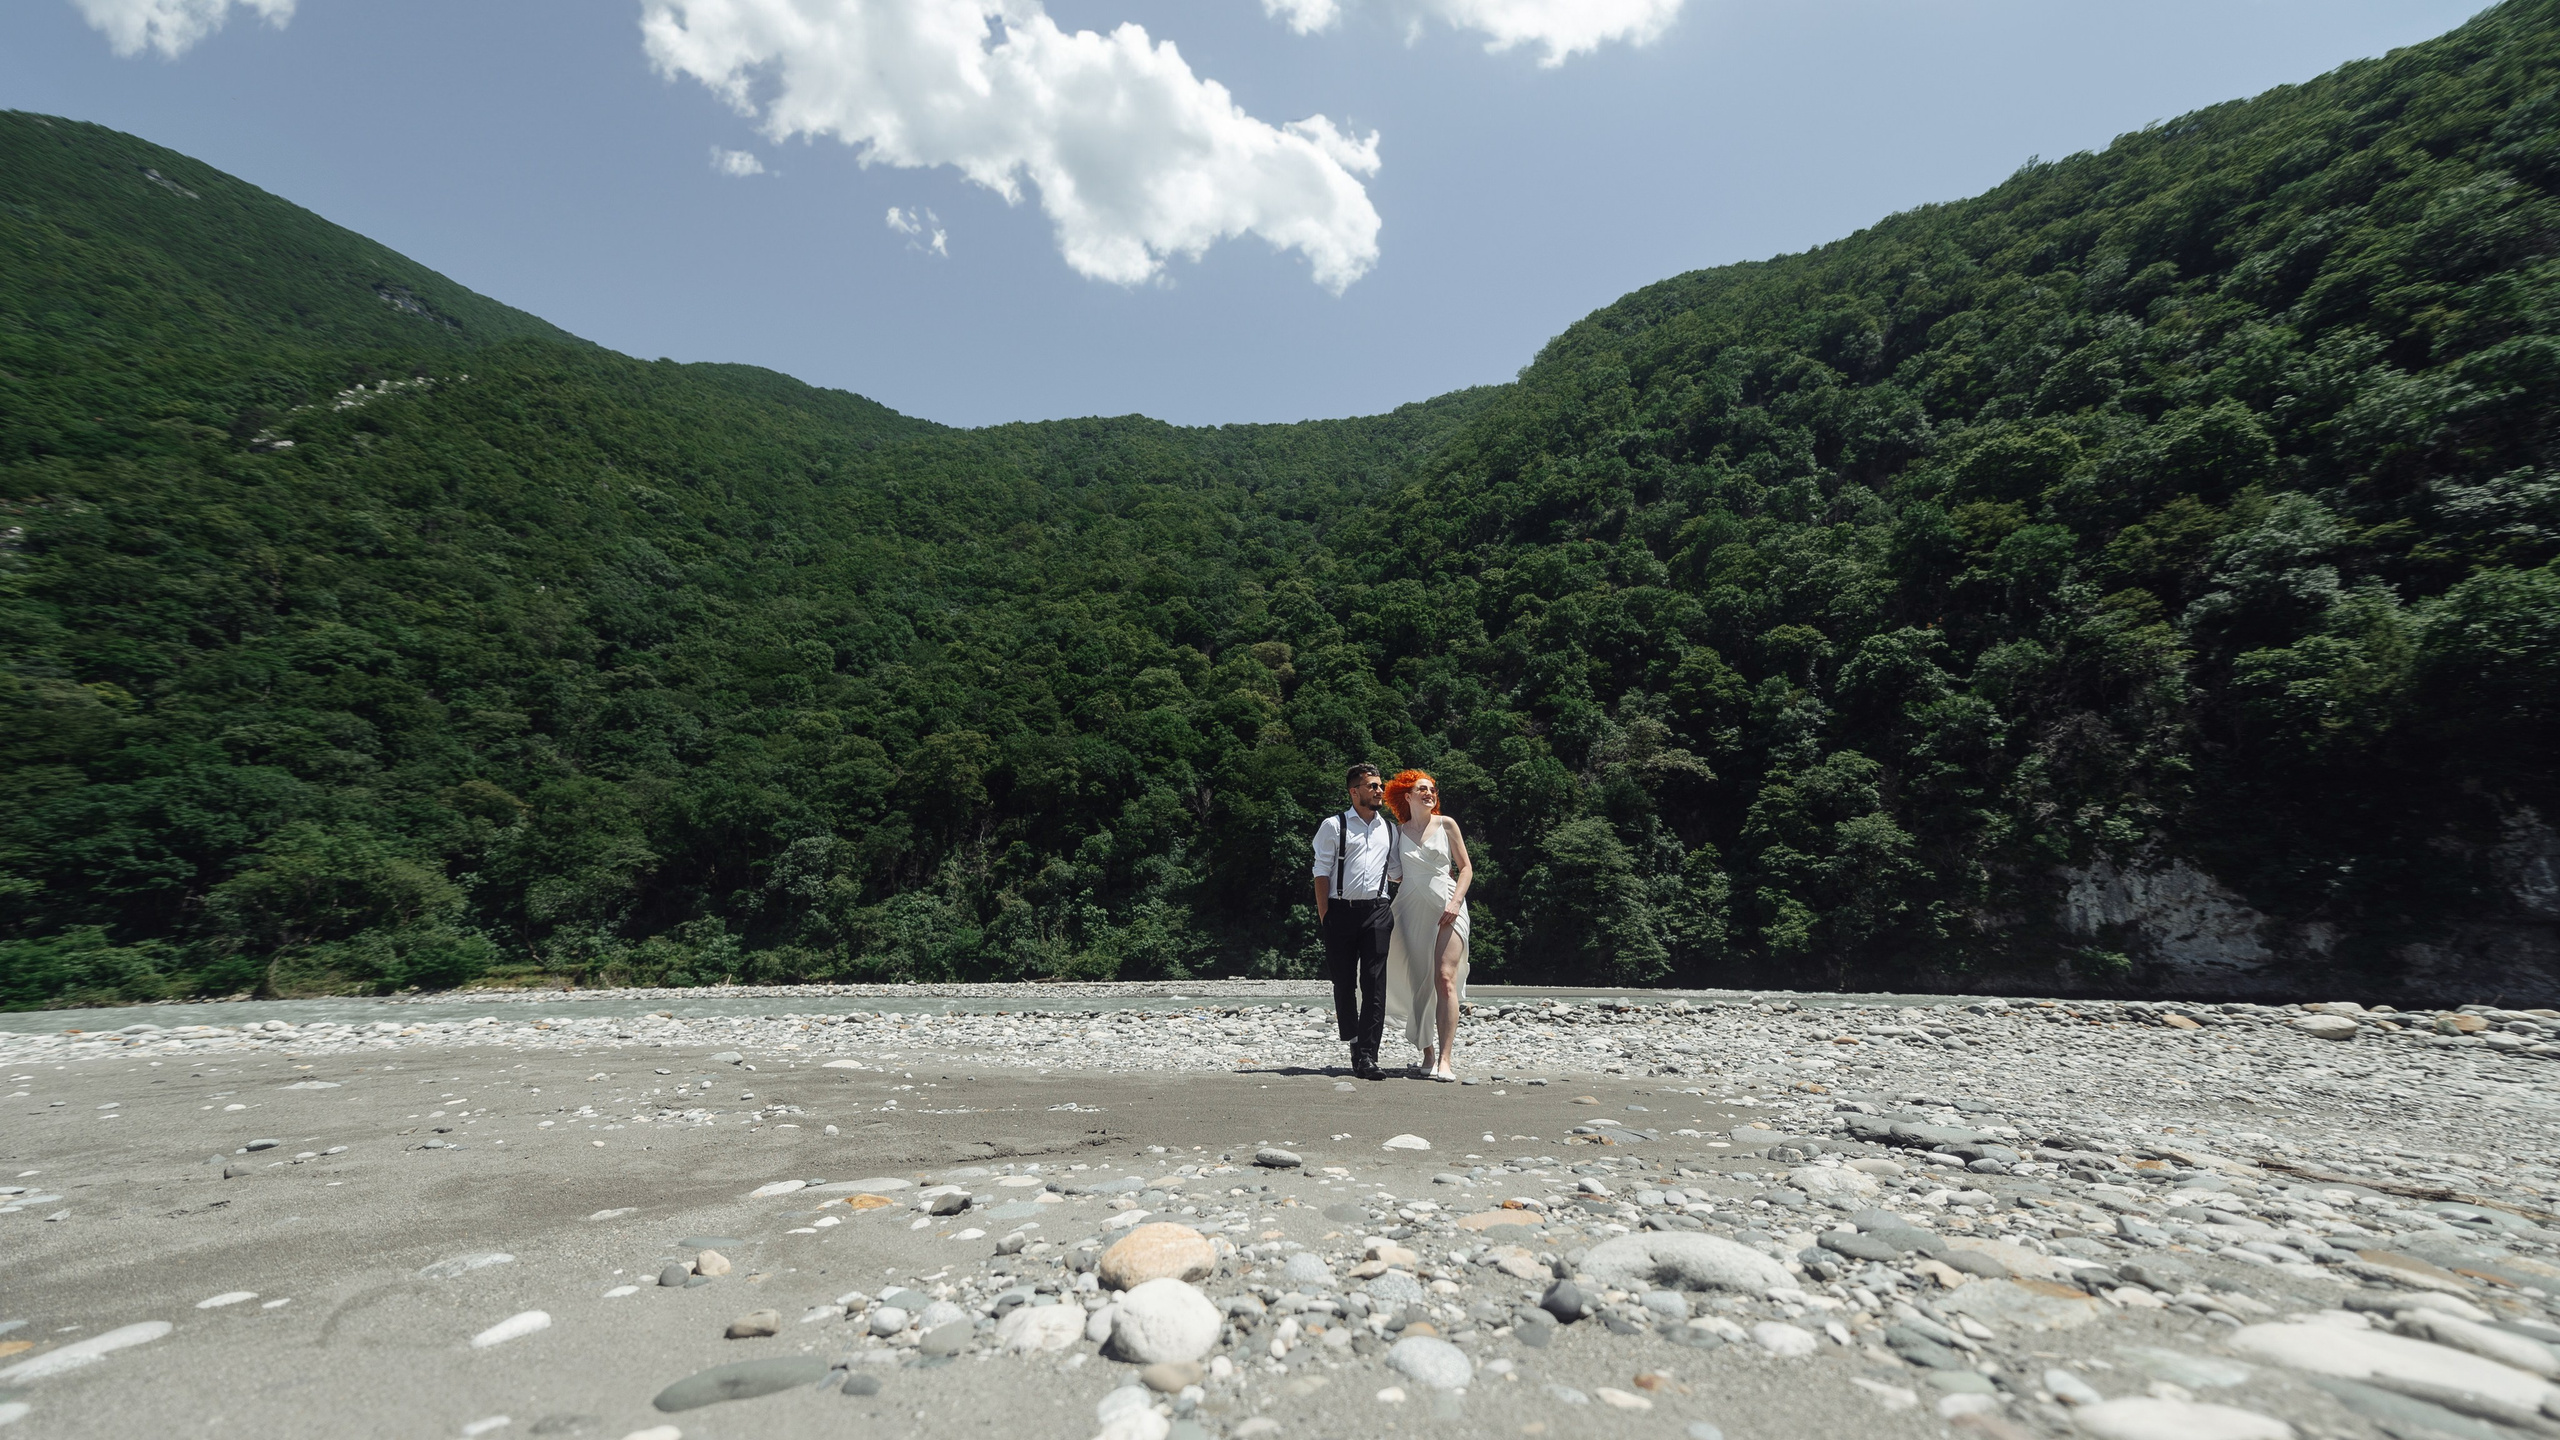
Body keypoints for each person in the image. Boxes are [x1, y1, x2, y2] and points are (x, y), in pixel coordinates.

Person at [1381, 769, 1473, 1081]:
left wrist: (1456, 902)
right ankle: (1428, 1053)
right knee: (1420, 982)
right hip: (1409, 909)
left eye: (1432, 788)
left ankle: (1445, 1060)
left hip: (1448, 906)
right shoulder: (1397, 832)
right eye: (1422, 788)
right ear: (1407, 796)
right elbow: (1394, 872)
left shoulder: (1446, 824)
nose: (1429, 793)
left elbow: (1466, 868)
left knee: (1444, 978)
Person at [1311, 762, 1400, 1081]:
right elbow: (1321, 872)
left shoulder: (1389, 829)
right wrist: (1326, 916)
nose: (1379, 790)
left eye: (1380, 785)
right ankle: (1353, 1041)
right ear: (1354, 791)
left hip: (1377, 912)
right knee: (1344, 983)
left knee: (1375, 984)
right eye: (1372, 785)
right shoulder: (1334, 826)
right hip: (1340, 911)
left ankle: (1368, 1056)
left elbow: (1396, 872)